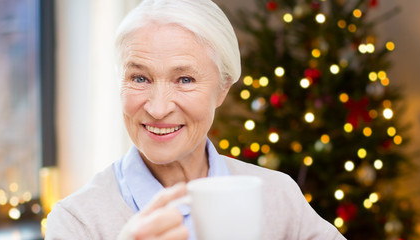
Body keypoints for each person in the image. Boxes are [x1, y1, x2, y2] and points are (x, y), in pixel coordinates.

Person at [46, 0, 346, 239]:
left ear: (222, 89)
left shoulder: (277, 195)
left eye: (185, 79)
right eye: (139, 78)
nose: (158, 108)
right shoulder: (77, 222)